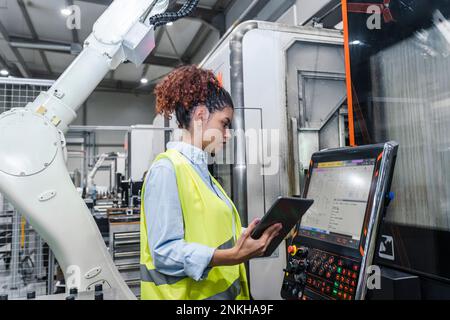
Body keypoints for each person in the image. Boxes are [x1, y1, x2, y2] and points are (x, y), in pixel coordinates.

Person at [140, 65, 282, 300]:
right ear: (201, 115)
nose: (227, 134)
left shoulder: (202, 173)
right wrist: (231, 257)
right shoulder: (166, 169)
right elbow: (164, 253)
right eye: (224, 124)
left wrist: (253, 235)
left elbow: (212, 233)